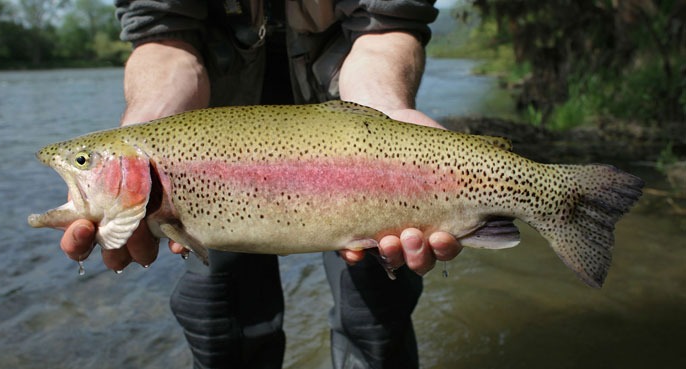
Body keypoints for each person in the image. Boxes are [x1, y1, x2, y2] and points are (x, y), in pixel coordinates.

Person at [60, 1, 463, 368]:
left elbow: (384, 25)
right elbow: (163, 34)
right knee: (217, 319)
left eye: (82, 162)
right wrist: (147, 125)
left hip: (350, 133)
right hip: (209, 155)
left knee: (375, 317)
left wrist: (387, 112)